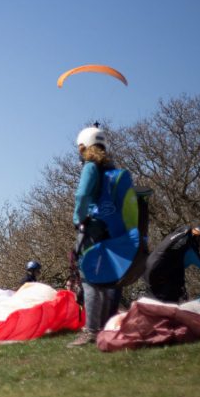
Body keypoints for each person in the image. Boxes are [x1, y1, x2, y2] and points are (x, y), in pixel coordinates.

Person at [68, 126, 124, 347]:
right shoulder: (111, 169)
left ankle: (91, 330)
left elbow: (82, 195)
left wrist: (77, 219)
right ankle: (108, 327)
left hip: (94, 228)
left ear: (83, 146)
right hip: (114, 229)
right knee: (110, 280)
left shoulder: (91, 167)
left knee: (90, 279)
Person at [144, 225, 200, 302]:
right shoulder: (190, 250)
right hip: (159, 274)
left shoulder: (181, 234)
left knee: (157, 300)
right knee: (172, 300)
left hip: (148, 269)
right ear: (197, 238)